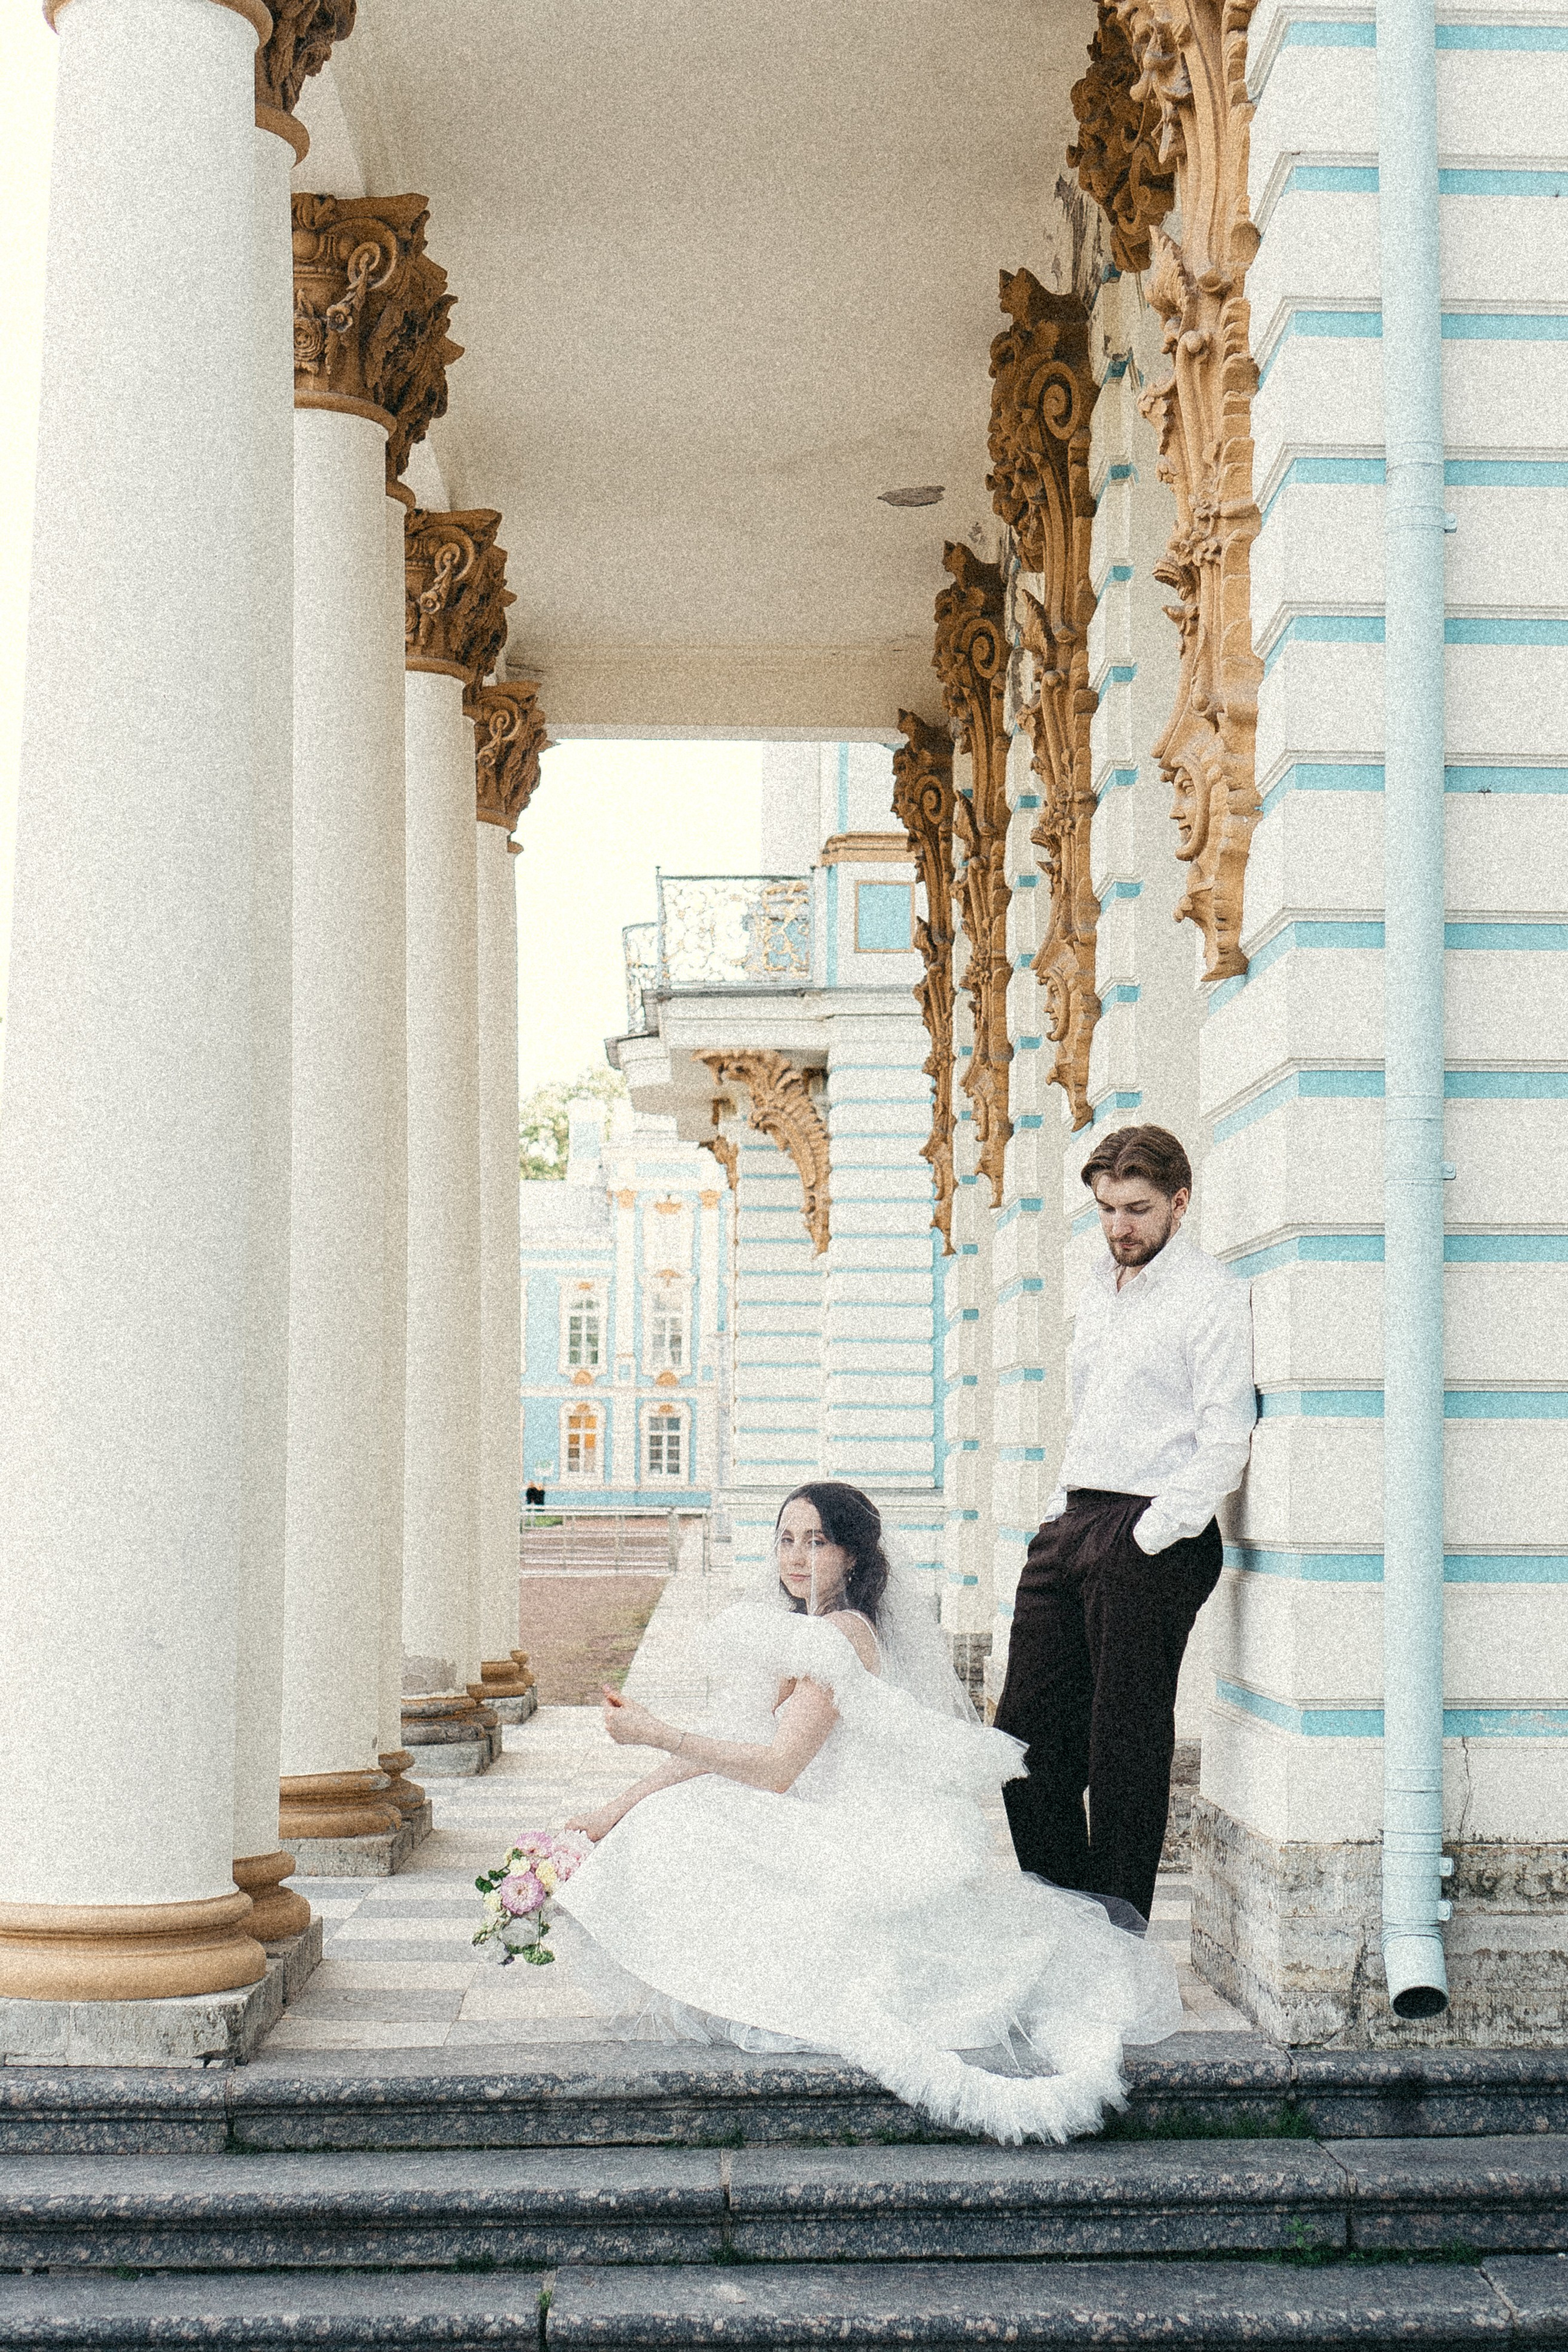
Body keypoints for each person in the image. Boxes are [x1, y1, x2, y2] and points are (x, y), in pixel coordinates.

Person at [557, 1480, 1181, 2145]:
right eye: (785, 1539)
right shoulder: (800, 1632)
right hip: (812, 1813)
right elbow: (727, 1742)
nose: (796, 1557)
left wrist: (655, 1733)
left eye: (816, 1541)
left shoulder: (840, 1636)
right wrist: (611, 1811)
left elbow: (774, 1770)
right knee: (672, 1815)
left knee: (682, 1827)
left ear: (852, 1555)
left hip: (845, 1829)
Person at [993, 1124, 1256, 1925]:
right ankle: (1075, 1926)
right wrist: (1057, 1514)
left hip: (1150, 1536)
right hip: (1075, 1521)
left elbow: (1226, 1438)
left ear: (1180, 1202)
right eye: (1107, 1209)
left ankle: (1116, 1945)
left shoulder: (1209, 1297)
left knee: (1123, 1757)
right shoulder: (1100, 1287)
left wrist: (1152, 1532)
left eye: (1137, 1209)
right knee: (1022, 1752)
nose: (1119, 1227)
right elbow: (1091, 1413)